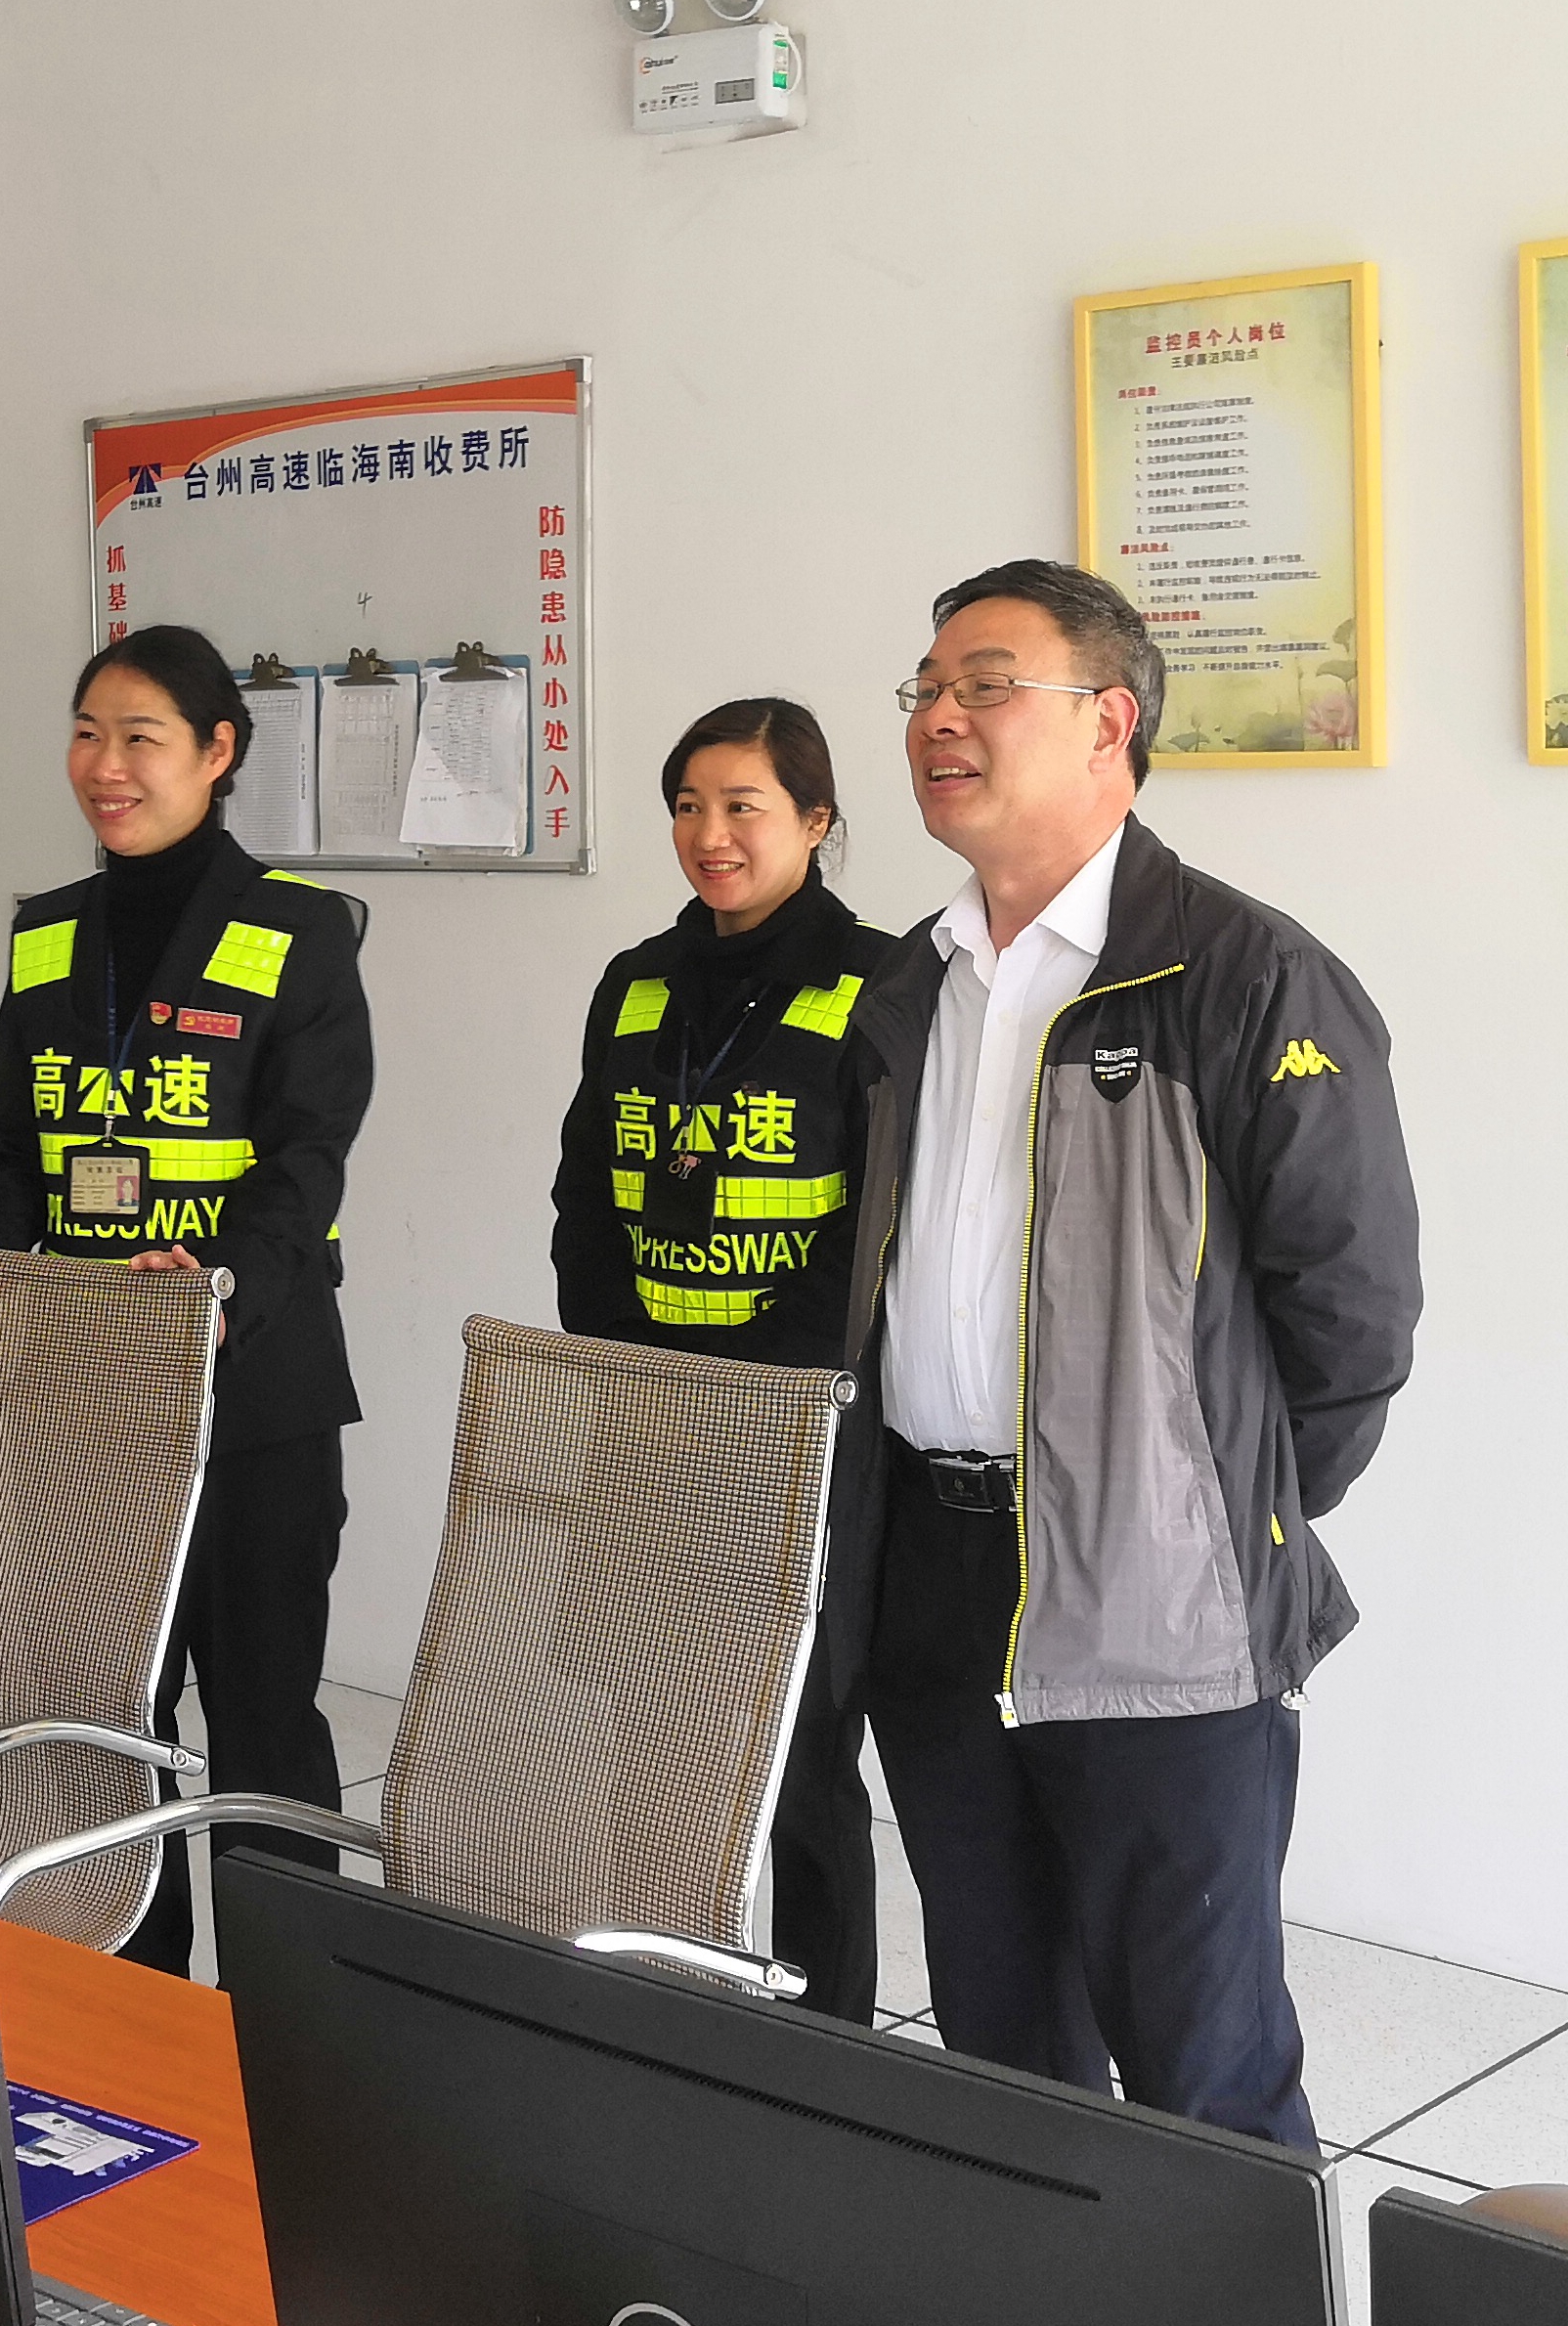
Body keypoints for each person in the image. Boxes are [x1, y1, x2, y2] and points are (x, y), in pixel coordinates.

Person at [840, 559, 1421, 2149]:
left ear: (1109, 721)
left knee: (1201, 2064)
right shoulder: (910, 981)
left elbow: (1352, 1311)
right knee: (1002, 2037)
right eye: (925, 688)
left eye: (984, 684)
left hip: (1161, 1597)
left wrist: (1215, 1502)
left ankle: (1235, 2276)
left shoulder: (1242, 973)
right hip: (934, 1579)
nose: (938, 717)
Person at [0, 623, 372, 1977]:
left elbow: (305, 1162)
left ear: (218, 752)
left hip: (251, 1393)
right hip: (82, 1392)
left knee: (264, 1716)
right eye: (86, 734)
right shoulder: (49, 932)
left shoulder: (296, 931)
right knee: (107, 1718)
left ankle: (292, 2019)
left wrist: (220, 1290)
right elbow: (15, 1153)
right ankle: (133, 1997)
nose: (105, 766)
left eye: (139, 737)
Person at [548, 697, 895, 2024]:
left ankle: (828, 2043)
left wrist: (747, 1391)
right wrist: (629, 1369)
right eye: (688, 807)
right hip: (644, 1419)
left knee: (799, 1758)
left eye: (744, 806)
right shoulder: (635, 980)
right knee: (647, 1735)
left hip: (796, 1432)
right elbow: (586, 1199)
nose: (711, 834)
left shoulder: (879, 986)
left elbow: (874, 1234)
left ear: (814, 820)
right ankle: (660, 1996)